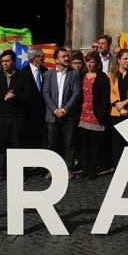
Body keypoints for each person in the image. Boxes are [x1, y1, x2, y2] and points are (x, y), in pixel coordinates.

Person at [0, 49, 33, 181]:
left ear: (14, 61)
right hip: (1, 117)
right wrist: (4, 96)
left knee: (18, 145)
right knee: (1, 145)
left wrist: (15, 96)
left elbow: (28, 95)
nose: (4, 63)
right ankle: (2, 172)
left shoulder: (23, 76)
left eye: (7, 61)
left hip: (17, 117)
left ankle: (20, 173)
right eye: (3, 61)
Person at [41, 47, 82, 177]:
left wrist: (64, 109)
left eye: (67, 56)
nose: (67, 58)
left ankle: (68, 169)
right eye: (63, 56)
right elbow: (45, 93)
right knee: (52, 143)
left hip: (68, 114)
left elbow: (76, 93)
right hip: (52, 115)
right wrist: (54, 110)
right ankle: (52, 169)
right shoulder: (48, 74)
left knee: (69, 143)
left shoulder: (74, 74)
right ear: (56, 60)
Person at [76, 52, 112, 181]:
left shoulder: (102, 77)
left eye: (93, 62)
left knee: (95, 145)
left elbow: (105, 98)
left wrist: (102, 115)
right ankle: (85, 169)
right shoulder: (81, 76)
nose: (90, 64)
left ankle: (92, 170)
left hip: (96, 116)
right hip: (83, 115)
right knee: (84, 145)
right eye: (88, 62)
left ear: (97, 63)